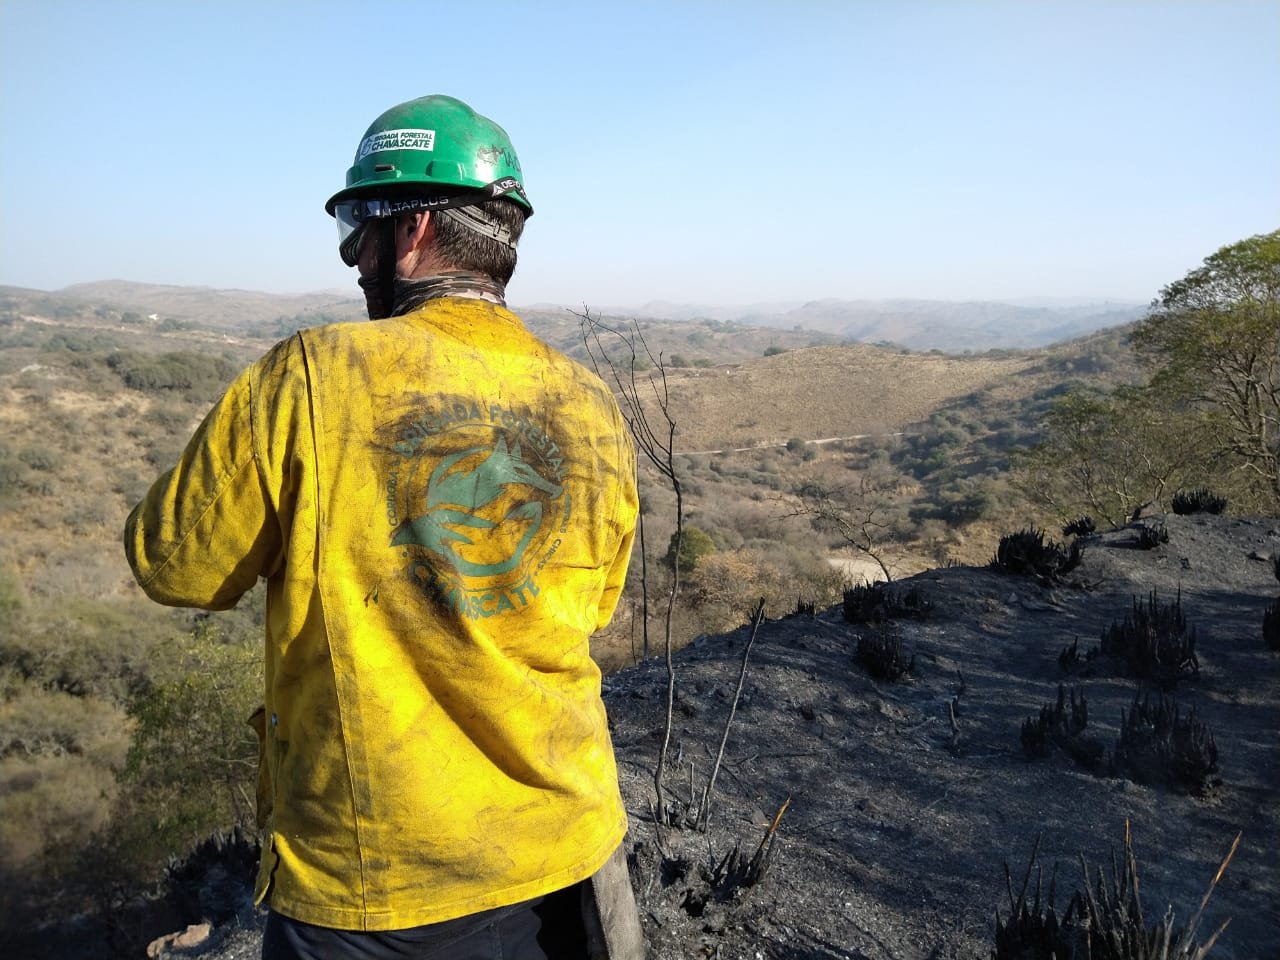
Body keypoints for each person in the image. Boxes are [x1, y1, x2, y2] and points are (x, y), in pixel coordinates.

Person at [124, 94, 644, 959]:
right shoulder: (589, 404)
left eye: (358, 227)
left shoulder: (309, 378)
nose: (353, 261)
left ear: (411, 231)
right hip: (570, 849)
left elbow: (173, 564)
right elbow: (589, 609)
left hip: (383, 883)